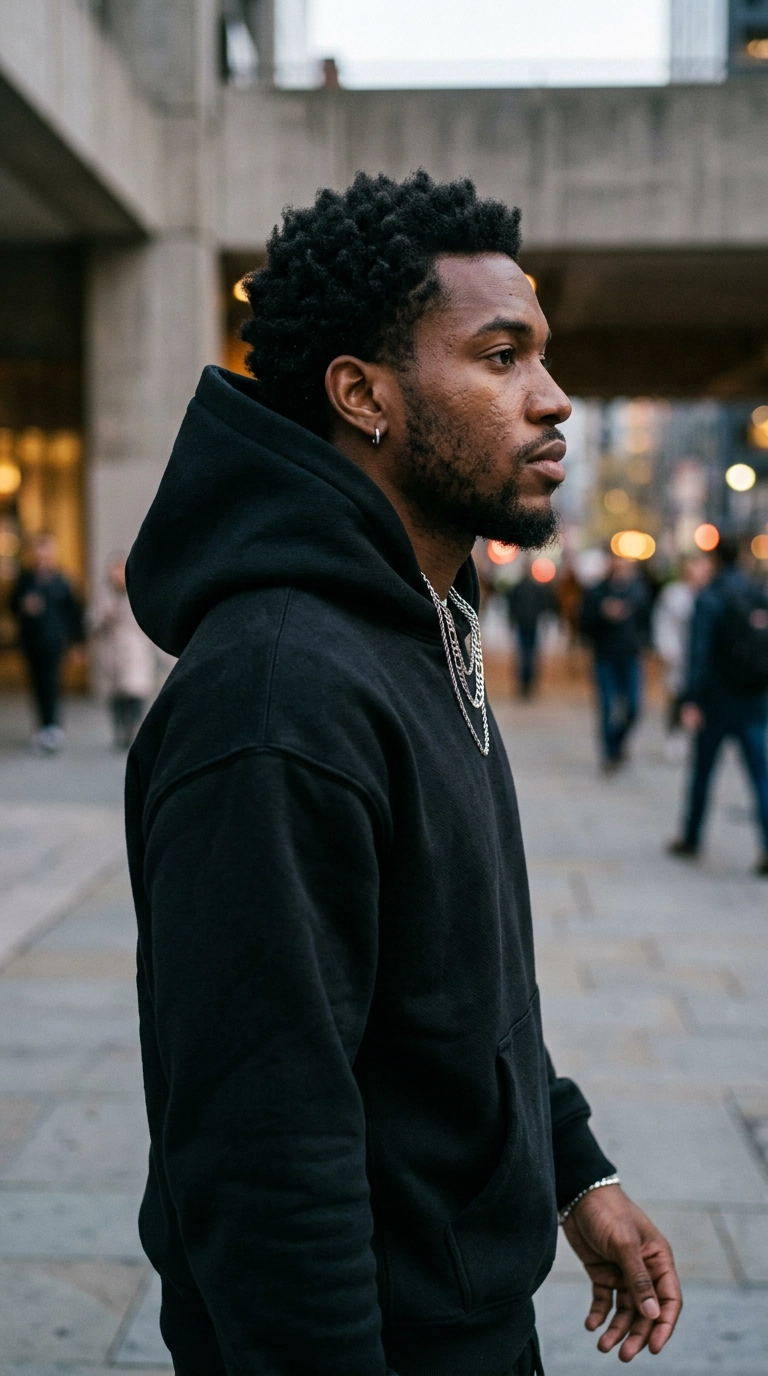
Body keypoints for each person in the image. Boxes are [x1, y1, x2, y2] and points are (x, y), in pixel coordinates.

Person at [125, 172, 681, 1376]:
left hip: (471, 1314)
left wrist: (571, 1161)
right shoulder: (277, 697)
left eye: (542, 356)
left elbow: (449, 978)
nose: (555, 399)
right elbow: (264, 1155)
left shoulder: (423, 620)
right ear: (362, 394)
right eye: (500, 356)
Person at [669, 536, 768, 873]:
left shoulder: (710, 597)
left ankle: (692, 836)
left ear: (713, 559)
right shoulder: (757, 592)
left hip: (716, 700)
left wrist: (691, 700)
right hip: (754, 699)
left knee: (703, 772)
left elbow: (698, 653)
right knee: (760, 775)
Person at [10, 532, 84, 751]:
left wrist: (78, 643)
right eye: (39, 551)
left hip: (54, 641)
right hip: (31, 641)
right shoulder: (25, 580)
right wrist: (24, 605)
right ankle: (43, 726)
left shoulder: (63, 580)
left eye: (47, 550)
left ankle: (53, 726)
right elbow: (12, 605)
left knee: (51, 682)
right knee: (37, 683)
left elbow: (74, 612)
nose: (43, 555)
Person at [581, 554, 651, 772]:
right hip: (605, 656)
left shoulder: (638, 591)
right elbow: (584, 622)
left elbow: (646, 621)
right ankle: (610, 754)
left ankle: (618, 742)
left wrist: (643, 644)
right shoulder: (597, 592)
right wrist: (603, 613)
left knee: (634, 705)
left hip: (630, 656)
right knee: (607, 706)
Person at [89, 556, 157, 749]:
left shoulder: (139, 592)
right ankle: (119, 729)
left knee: (135, 692)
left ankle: (133, 727)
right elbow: (91, 621)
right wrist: (104, 618)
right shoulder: (102, 595)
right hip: (111, 652)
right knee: (116, 696)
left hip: (136, 651)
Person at [652, 555, 713, 761]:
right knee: (677, 696)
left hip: (706, 657)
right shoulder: (674, 594)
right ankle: (674, 734)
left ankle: (698, 737)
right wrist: (667, 647)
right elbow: (663, 622)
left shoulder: (713, 594)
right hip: (680, 654)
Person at [505, 561, 555, 697]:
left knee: (525, 654)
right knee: (529, 654)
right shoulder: (534, 588)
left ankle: (525, 683)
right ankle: (528, 683)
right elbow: (544, 605)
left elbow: (512, 606)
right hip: (530, 623)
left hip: (525, 623)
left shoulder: (518, 587)